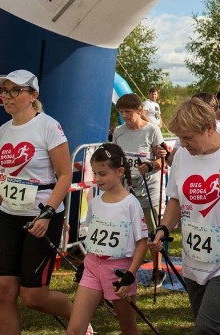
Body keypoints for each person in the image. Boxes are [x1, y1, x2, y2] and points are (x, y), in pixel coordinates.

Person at [0, 70, 75, 335]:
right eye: (4, 91)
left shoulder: (48, 125)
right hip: (10, 216)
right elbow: (6, 180)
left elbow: (65, 174)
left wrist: (48, 212)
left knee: (33, 296)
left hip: (41, 216)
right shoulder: (3, 130)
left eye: (15, 91)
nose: (7, 96)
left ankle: (80, 319)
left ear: (33, 95)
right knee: (2, 291)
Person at [149, 98, 220, 335]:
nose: (182, 143)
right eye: (180, 137)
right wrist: (164, 229)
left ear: (209, 128)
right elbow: (175, 199)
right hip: (195, 261)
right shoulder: (182, 156)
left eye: (188, 137)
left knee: (205, 329)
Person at [67, 143, 148, 335]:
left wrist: (130, 274)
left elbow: (142, 243)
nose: (96, 179)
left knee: (127, 327)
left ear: (119, 171)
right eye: (94, 173)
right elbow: (95, 236)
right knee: (74, 329)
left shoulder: (130, 204)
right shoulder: (95, 202)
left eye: (102, 174)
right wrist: (86, 261)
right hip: (93, 267)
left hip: (119, 272)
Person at [112, 93, 166, 235]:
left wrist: (150, 165)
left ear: (139, 110)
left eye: (128, 111)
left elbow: (163, 161)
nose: (124, 116)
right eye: (121, 112)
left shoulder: (152, 130)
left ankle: (156, 258)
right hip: (126, 190)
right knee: (127, 234)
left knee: (153, 235)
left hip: (147, 191)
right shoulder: (118, 131)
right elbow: (114, 159)